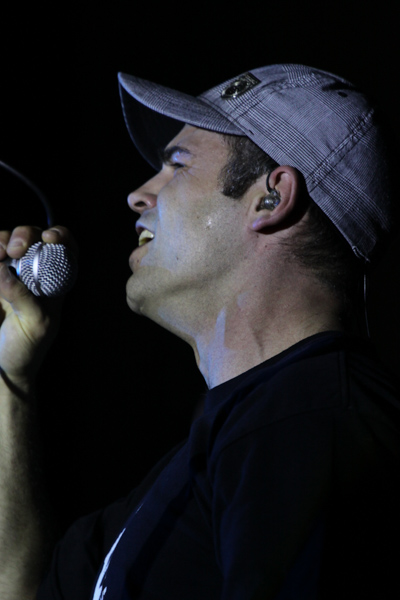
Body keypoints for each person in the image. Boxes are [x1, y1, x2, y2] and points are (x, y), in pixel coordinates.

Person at [0, 63, 399, 600]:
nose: (138, 195)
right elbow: (23, 589)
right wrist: (13, 376)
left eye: (177, 165)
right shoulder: (229, 442)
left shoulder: (311, 423)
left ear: (271, 198)